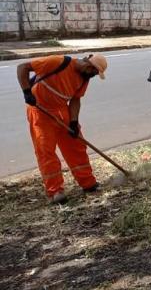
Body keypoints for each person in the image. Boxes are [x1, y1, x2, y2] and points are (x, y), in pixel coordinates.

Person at [17, 54, 108, 204]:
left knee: (76, 145)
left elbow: (75, 99)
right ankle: (55, 191)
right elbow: (22, 67)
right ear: (89, 65)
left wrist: (73, 121)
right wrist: (27, 92)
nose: (91, 77)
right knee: (46, 150)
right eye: (93, 73)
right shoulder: (58, 62)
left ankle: (88, 183)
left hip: (62, 109)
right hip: (40, 110)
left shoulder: (84, 78)